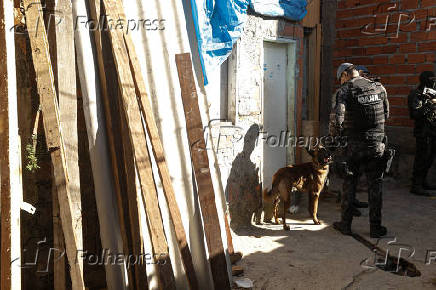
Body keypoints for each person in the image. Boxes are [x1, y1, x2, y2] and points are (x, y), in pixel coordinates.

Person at [332, 63, 390, 238]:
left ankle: (346, 225)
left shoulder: (344, 90)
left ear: (344, 75)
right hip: (377, 144)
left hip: (355, 145)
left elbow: (337, 120)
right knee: (376, 185)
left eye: (340, 78)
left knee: (350, 183)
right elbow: (386, 114)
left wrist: (336, 141)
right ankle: (375, 228)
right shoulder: (378, 86)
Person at [407, 71, 436, 196]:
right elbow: (415, 114)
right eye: (431, 79)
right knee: (421, 159)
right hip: (423, 132)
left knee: (429, 158)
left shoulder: (432, 93)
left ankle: (423, 182)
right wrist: (430, 103)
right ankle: (416, 185)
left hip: (433, 130)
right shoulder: (416, 94)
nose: (433, 82)